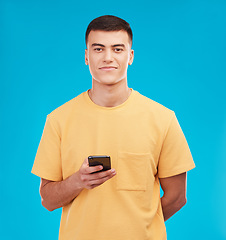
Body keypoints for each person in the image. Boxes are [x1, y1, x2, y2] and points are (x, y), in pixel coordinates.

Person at [32, 15, 195, 240]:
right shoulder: (58, 119)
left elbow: (177, 197)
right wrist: (77, 181)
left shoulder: (163, 119)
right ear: (86, 56)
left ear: (130, 56)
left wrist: (139, 229)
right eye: (98, 49)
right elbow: (48, 200)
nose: (108, 57)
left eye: (117, 49)